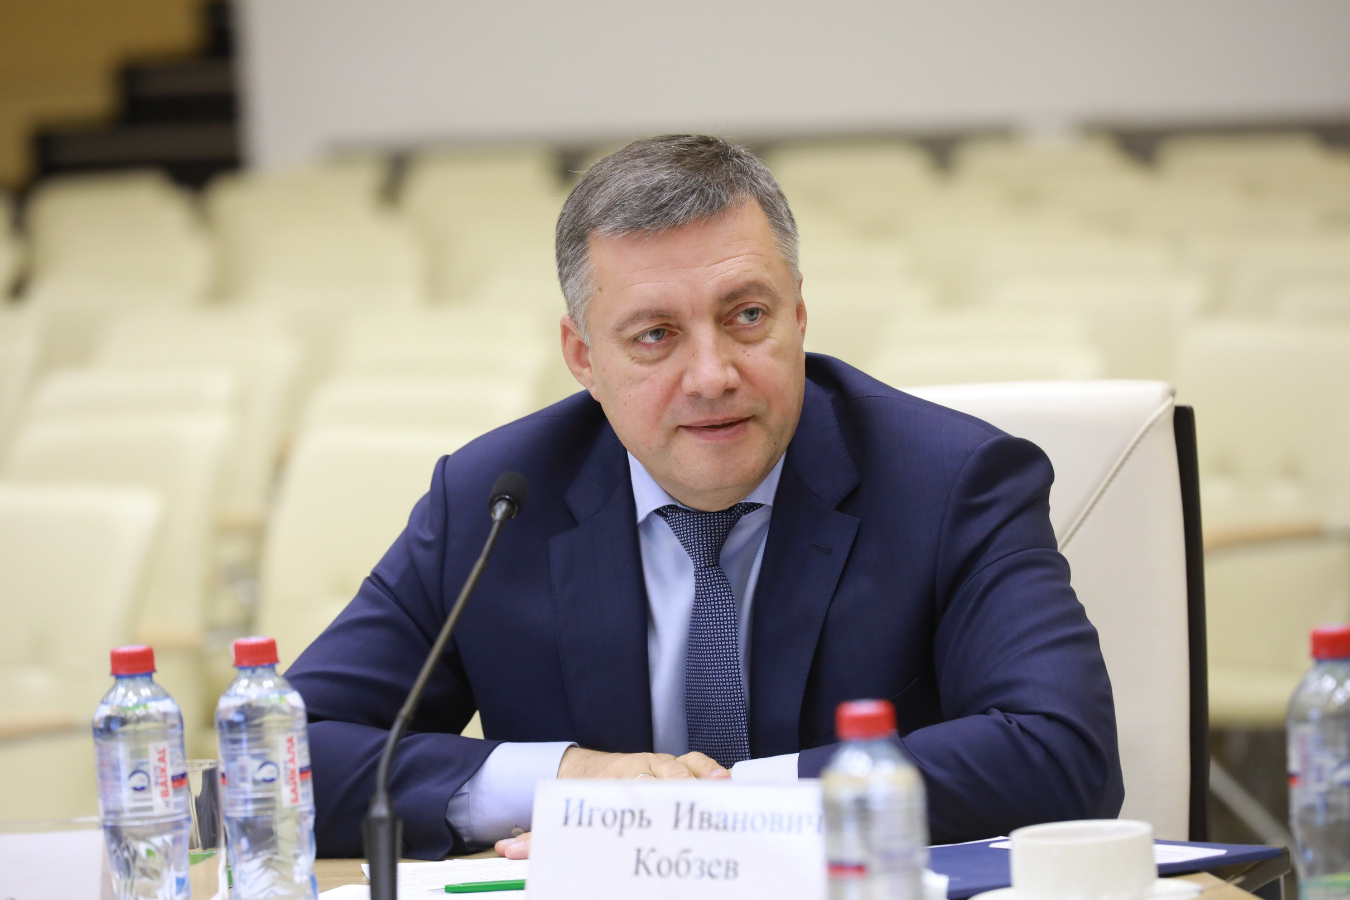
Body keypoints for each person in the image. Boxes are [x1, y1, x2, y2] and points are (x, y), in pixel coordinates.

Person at [286, 135, 1124, 861]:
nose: (713, 375)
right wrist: (569, 782)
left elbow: (1063, 754)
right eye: (655, 336)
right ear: (583, 357)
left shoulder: (952, 482)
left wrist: (712, 817)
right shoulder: (495, 500)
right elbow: (283, 760)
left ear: (799, 315)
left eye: (747, 316)